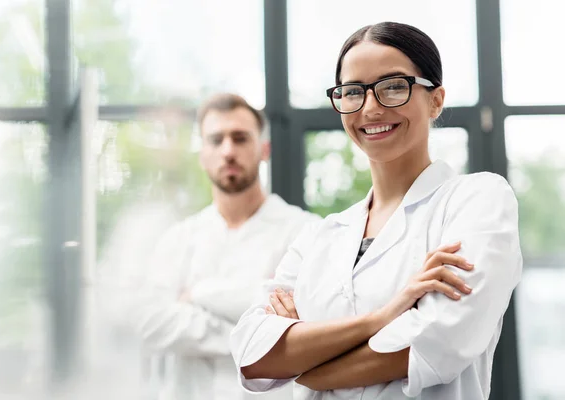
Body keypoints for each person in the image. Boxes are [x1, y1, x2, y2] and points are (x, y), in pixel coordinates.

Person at [230, 21, 522, 400]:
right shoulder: (320, 236)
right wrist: (383, 317)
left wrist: (309, 365)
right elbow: (253, 355)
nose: (370, 108)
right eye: (352, 92)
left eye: (393, 87)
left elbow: (440, 344)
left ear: (435, 99)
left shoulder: (477, 200)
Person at [131, 93, 321, 400]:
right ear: (202, 154)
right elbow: (151, 322)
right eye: (216, 140)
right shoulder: (179, 238)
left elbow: (310, 317)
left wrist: (198, 295)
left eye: (240, 138)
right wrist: (253, 336)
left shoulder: (305, 231)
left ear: (264, 149)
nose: (228, 151)